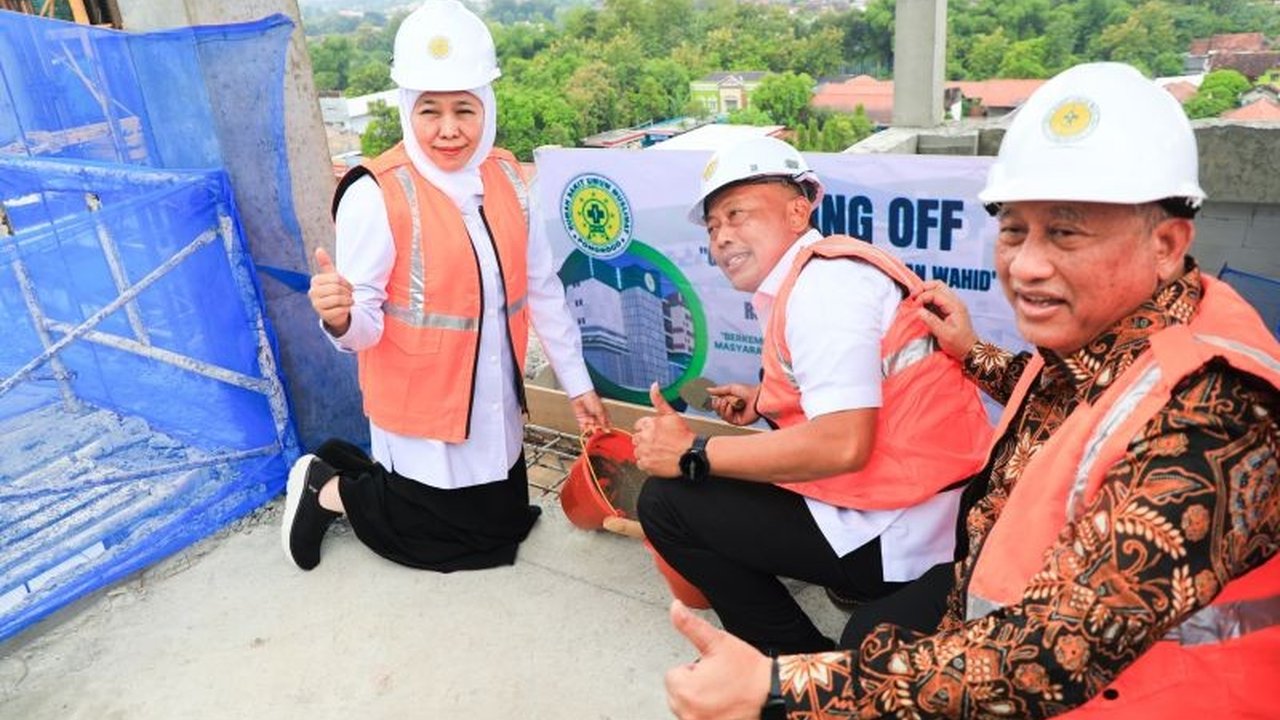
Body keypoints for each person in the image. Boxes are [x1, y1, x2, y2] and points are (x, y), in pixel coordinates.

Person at [662, 61, 1279, 720]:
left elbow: (1052, 652)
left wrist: (784, 687)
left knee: (683, 513)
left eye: (1066, 232)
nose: (1027, 264)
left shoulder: (1217, 411)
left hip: (1138, 693)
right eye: (1014, 230)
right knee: (868, 638)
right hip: (982, 566)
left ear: (1166, 243)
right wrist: (973, 354)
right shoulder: (1107, 332)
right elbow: (1078, 399)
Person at [631, 136, 993, 654]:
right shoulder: (817, 277)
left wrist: (692, 455)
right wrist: (763, 401)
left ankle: (794, 671)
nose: (721, 238)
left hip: (909, 522)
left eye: (738, 215)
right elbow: (859, 390)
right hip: (915, 495)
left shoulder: (824, 290)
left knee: (667, 502)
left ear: (799, 211)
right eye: (713, 227)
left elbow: (843, 444)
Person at [285, 0, 608, 574]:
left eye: (465, 108)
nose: (449, 129)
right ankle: (327, 490)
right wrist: (337, 317)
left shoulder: (505, 177)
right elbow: (365, 326)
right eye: (429, 111)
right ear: (408, 109)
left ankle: (351, 471)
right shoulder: (375, 192)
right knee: (435, 542)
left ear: (487, 106)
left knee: (502, 527)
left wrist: (576, 382)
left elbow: (541, 288)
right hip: (421, 402)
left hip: (490, 399)